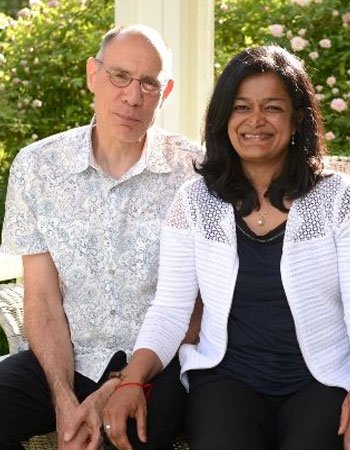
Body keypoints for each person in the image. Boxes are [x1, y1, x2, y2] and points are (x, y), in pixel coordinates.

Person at [100, 45, 350, 450]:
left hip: (321, 380)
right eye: (240, 107)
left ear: (297, 118)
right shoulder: (195, 201)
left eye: (272, 108)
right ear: (223, 118)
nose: (255, 121)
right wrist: (131, 380)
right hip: (227, 380)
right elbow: (169, 310)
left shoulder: (336, 198)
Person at [0, 24, 202, 450]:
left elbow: (201, 304)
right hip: (64, 360)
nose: (133, 96)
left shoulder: (196, 172)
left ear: (165, 93)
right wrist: (63, 399)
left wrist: (115, 388)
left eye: (149, 83)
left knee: (125, 437)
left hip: (156, 364)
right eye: (120, 76)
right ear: (93, 75)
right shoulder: (38, 167)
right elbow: (41, 298)